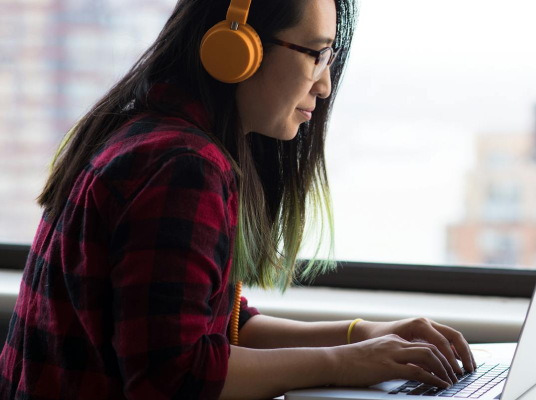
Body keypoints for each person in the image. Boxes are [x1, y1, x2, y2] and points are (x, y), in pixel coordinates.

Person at [0, 0, 475, 399]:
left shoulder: (148, 132)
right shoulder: (183, 165)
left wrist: (363, 334)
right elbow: (175, 373)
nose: (325, 85)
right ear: (236, 48)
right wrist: (344, 363)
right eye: (315, 54)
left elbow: (217, 325)